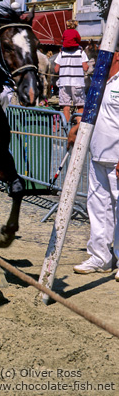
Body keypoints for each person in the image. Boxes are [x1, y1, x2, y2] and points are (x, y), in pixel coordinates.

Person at [68, 48, 119, 278]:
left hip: (117, 156)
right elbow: (95, 110)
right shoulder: (101, 78)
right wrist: (79, 127)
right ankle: (100, 256)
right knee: (98, 207)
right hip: (97, 152)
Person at [54, 20, 89, 122]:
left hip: (64, 83)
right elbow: (85, 67)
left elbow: (56, 69)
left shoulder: (62, 53)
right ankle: (78, 128)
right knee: (80, 106)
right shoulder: (80, 52)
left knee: (66, 106)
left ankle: (67, 129)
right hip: (77, 83)